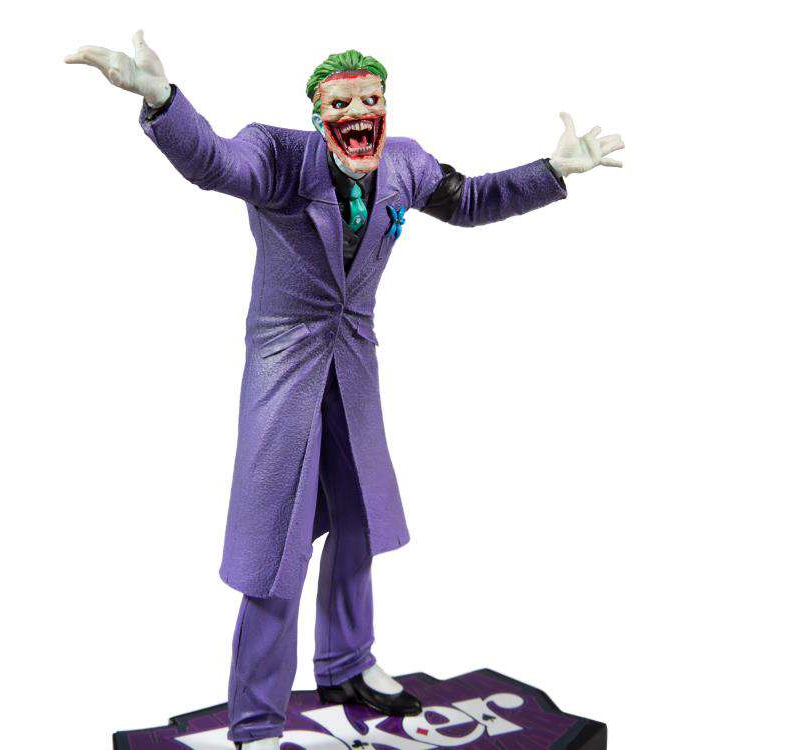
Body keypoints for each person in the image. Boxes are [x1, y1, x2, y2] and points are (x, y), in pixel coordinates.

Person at [65, 33, 625, 750]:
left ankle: (346, 666)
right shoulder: (277, 157)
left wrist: (552, 171)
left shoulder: (405, 164)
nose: (359, 113)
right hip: (286, 370)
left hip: (353, 366)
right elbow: (213, 162)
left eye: (371, 100)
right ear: (317, 112)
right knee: (277, 548)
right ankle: (258, 722)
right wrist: (162, 101)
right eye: (342, 103)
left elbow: (470, 199)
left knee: (360, 515)